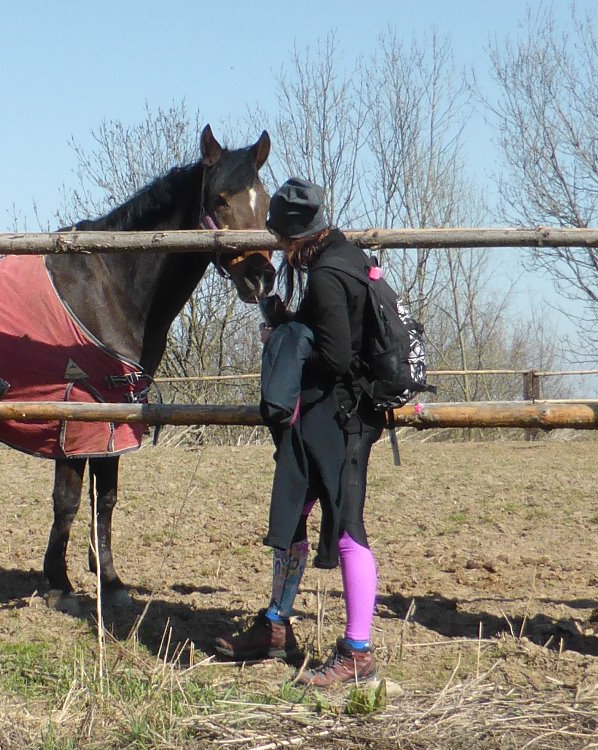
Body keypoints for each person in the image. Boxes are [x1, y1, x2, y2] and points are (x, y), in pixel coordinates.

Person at [214, 178, 385, 688]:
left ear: (294, 238)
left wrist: (284, 335)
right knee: (292, 519)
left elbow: (334, 355)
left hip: (341, 419)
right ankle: (275, 627)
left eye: (280, 240)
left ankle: (358, 652)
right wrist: (292, 321)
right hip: (317, 416)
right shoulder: (344, 257)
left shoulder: (330, 275)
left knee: (350, 531)